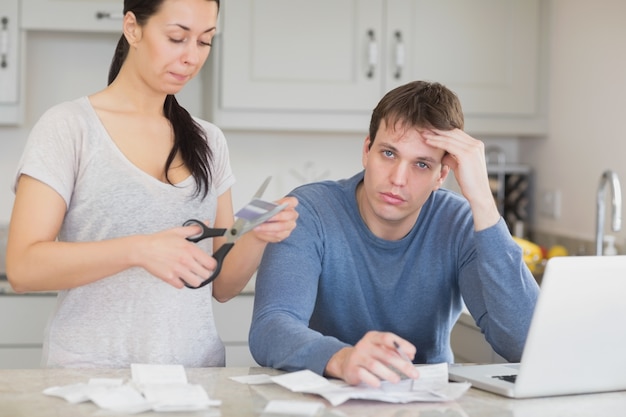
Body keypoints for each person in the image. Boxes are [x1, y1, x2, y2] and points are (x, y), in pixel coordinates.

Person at [5, 0, 298, 368]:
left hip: (194, 379)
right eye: (177, 37)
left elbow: (221, 286)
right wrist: (139, 250)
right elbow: (23, 267)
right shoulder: (69, 127)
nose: (192, 56)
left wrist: (256, 235)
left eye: (205, 41)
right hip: (89, 381)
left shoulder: (209, 140)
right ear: (132, 28)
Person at [249, 80, 539, 387]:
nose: (398, 179)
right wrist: (343, 359)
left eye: (421, 164)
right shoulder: (310, 211)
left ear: (441, 174)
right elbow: (271, 327)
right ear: (367, 150)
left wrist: (482, 199)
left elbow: (526, 346)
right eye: (389, 154)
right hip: (328, 397)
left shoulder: (459, 222)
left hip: (429, 404)